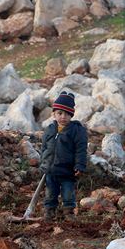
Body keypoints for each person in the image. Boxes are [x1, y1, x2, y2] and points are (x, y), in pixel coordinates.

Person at [39, 91, 87, 221]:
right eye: (59, 113)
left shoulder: (77, 131)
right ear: (53, 114)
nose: (63, 117)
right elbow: (44, 148)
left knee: (68, 194)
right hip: (51, 171)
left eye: (67, 114)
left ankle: (69, 213)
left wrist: (80, 165)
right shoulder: (50, 129)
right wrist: (43, 163)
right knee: (50, 193)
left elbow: (81, 150)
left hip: (67, 171)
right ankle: (49, 212)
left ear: (71, 115)